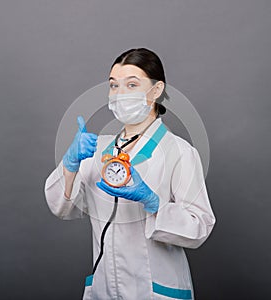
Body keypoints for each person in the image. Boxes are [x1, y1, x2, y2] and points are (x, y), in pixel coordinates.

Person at [44, 48, 216, 300]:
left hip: (155, 290)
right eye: (114, 86)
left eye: (132, 84)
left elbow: (199, 226)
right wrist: (70, 164)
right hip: (104, 289)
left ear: (156, 90)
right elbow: (62, 208)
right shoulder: (97, 150)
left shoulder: (178, 151)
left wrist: (154, 203)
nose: (120, 94)